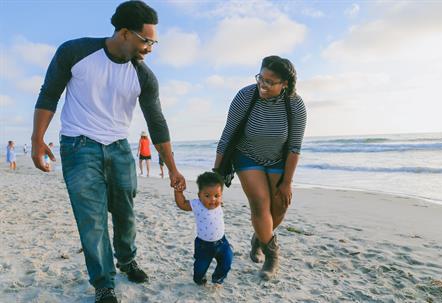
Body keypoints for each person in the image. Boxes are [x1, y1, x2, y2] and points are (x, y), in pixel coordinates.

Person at [31, 2, 186, 302]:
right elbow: (49, 93)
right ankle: (104, 282)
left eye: (154, 41)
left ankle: (126, 259)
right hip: (78, 147)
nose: (151, 47)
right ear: (125, 33)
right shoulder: (75, 52)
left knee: (126, 213)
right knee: (92, 220)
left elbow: (157, 122)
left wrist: (173, 168)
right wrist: (38, 139)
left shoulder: (143, 76)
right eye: (147, 40)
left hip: (118, 149)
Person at [214, 56, 307, 281]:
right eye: (260, 78)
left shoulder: (295, 105)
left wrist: (287, 183)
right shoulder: (245, 96)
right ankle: (272, 255)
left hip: (278, 159)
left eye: (270, 82)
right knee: (260, 204)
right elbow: (228, 134)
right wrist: (216, 174)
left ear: (285, 83)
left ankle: (260, 238)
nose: (262, 85)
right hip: (247, 155)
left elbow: (294, 147)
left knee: (279, 207)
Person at [174, 172, 233, 286]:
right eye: (207, 196)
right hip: (204, 246)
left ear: (221, 195)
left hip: (222, 242)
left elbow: (217, 198)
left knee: (227, 261)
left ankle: (217, 278)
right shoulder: (197, 204)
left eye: (217, 196)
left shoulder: (219, 203)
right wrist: (178, 192)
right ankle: (199, 279)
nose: (212, 200)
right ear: (199, 195)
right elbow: (182, 204)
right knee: (200, 268)